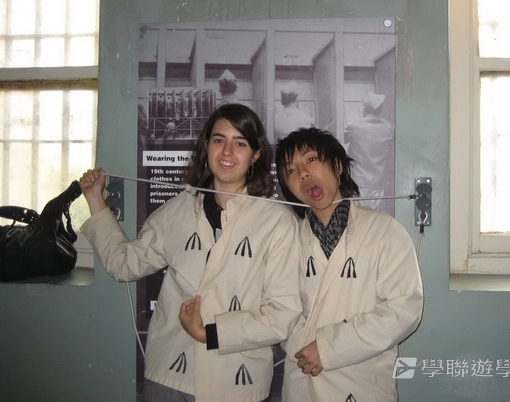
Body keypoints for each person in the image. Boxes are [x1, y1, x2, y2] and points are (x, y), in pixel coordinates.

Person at [79, 104, 302, 402]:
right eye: (219, 140)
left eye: (240, 143)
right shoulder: (179, 209)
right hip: (169, 377)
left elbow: (282, 314)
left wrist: (210, 333)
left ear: (256, 155)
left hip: (237, 384)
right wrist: (95, 199)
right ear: (206, 146)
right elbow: (123, 264)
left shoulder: (278, 222)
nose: (227, 152)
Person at [275, 127, 423, 402]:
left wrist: (329, 348)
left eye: (311, 160)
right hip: (303, 378)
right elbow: (280, 308)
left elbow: (403, 309)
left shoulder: (384, 231)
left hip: (363, 380)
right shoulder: (286, 239)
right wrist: (302, 344)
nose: (303, 173)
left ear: (338, 166)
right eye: (291, 170)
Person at [344, 90, 394, 211]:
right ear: (381, 110)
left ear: (364, 109)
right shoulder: (389, 128)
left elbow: (340, 139)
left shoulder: (355, 126)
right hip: (378, 186)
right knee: (375, 219)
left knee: (357, 218)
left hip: (358, 183)